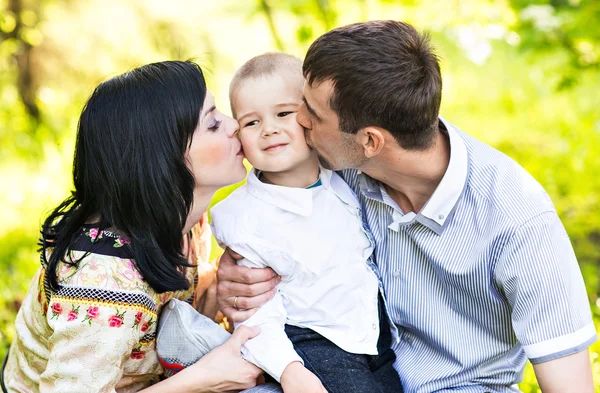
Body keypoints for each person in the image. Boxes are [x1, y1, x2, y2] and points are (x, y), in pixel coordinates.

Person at [216, 21, 597, 393]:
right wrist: (238, 275)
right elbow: (268, 217)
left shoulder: (517, 220)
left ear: (370, 141)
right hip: (346, 361)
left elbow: (568, 381)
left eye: (312, 114)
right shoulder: (338, 166)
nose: (299, 122)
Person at [1, 60, 265, 393]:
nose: (233, 125)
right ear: (162, 160)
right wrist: (205, 379)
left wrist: (220, 286)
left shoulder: (184, 223)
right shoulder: (104, 284)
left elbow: (163, 316)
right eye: (213, 124)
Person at [206, 52, 402, 393]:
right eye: (252, 123)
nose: (269, 129)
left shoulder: (341, 179)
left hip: (373, 338)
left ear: (311, 118)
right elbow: (253, 314)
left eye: (284, 113)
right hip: (312, 344)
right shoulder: (245, 218)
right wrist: (289, 370)